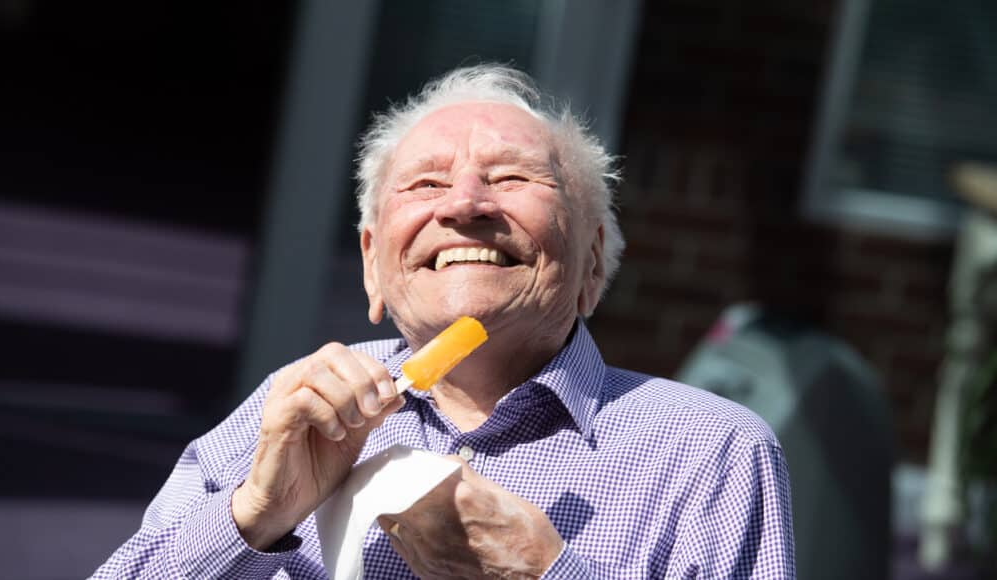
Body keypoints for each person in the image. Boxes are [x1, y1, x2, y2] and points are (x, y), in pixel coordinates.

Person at [93, 64, 795, 579]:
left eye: (513, 177)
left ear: (592, 263)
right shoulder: (292, 410)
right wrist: (254, 514)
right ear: (373, 265)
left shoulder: (710, 452)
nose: (463, 203)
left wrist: (545, 572)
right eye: (425, 183)